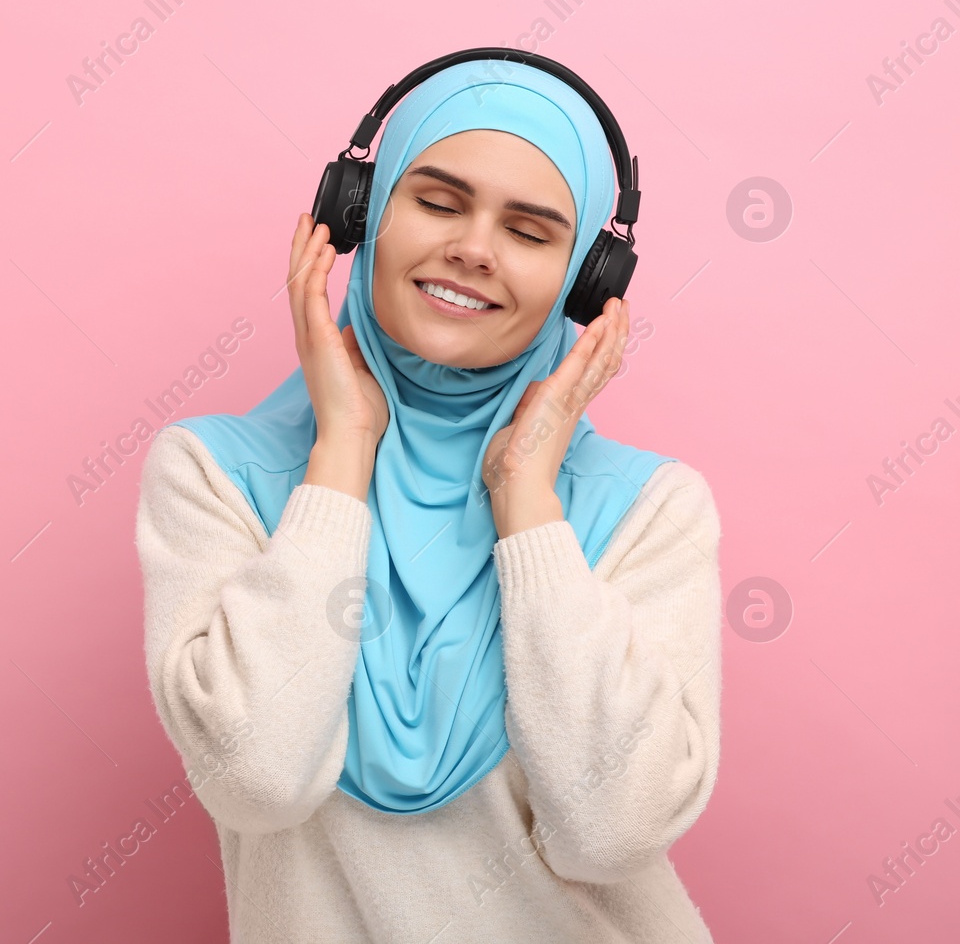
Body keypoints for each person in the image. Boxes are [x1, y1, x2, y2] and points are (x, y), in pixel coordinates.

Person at [135, 58, 722, 943]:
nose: (475, 248)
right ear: (360, 217)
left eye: (528, 231)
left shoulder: (649, 511)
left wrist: (525, 493)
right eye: (440, 203)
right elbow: (258, 776)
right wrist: (340, 453)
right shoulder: (216, 477)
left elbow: (613, 832)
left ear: (585, 280)